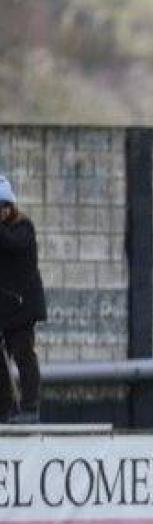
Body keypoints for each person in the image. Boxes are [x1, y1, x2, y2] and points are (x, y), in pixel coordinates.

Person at [0, 176, 46, 424]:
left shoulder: (23, 228)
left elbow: (13, 245)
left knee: (23, 355)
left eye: (4, 206)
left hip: (23, 307)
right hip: (5, 308)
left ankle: (30, 407)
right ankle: (7, 408)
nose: (2, 211)